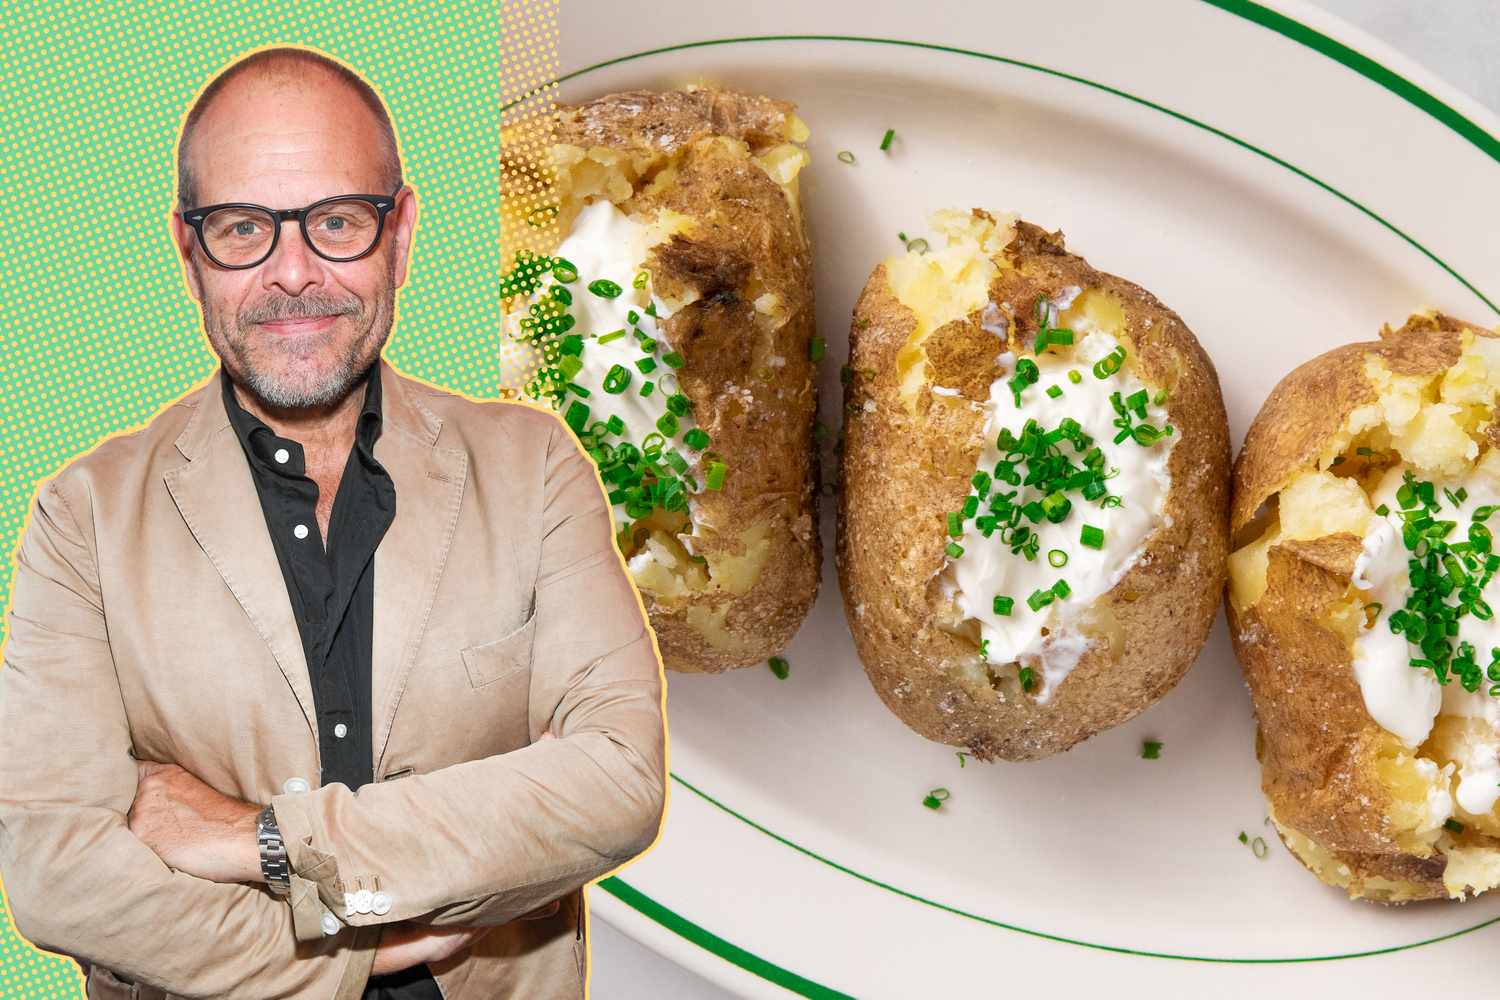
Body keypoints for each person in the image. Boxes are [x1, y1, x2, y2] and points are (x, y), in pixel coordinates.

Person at [0, 46, 666, 1000]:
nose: (294, 274)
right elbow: (54, 873)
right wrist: (328, 945)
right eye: (242, 230)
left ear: (399, 234)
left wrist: (260, 842)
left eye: (337, 222)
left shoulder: (535, 466)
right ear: (189, 255)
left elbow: (615, 782)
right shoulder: (84, 515)